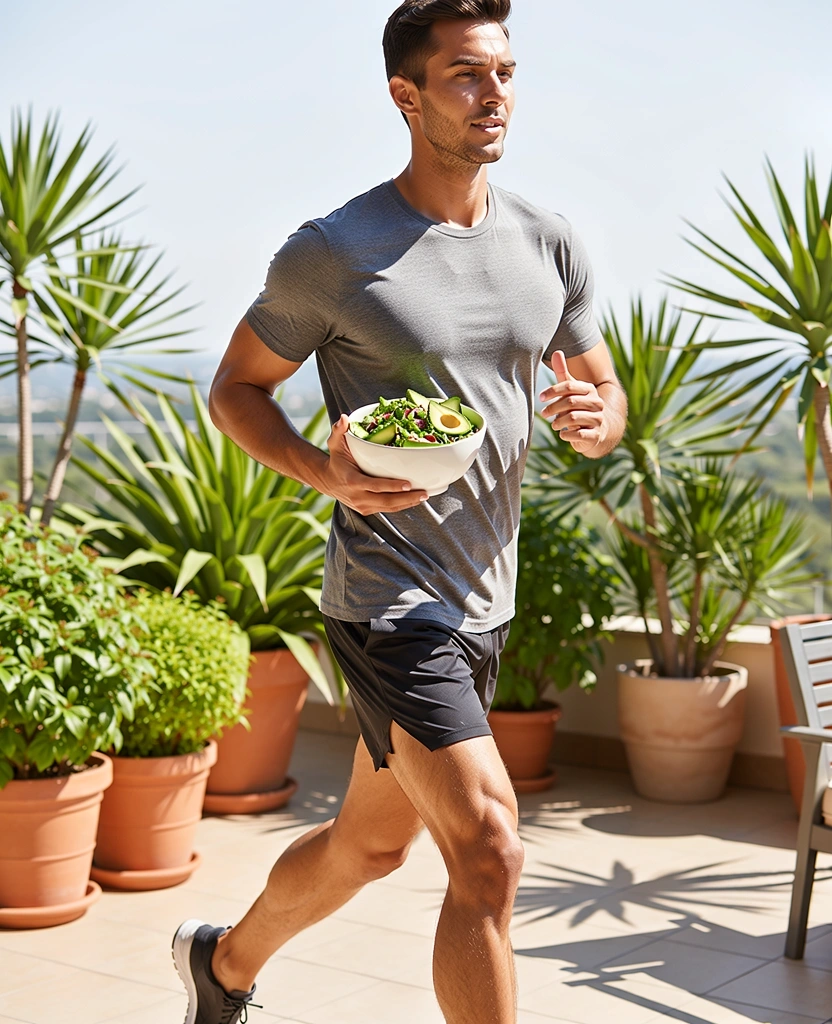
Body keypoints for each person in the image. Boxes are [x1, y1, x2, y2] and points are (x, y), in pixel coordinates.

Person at [172, 1, 626, 1021]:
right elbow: (235, 389)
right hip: (387, 598)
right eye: (467, 75)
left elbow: (603, 400)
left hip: (483, 594)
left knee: (368, 845)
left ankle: (224, 965)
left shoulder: (549, 242)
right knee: (488, 847)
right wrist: (323, 473)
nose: (494, 94)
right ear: (405, 95)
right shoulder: (335, 250)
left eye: (505, 72)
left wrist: (597, 418)